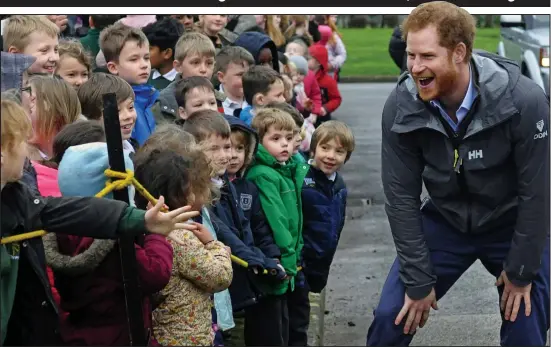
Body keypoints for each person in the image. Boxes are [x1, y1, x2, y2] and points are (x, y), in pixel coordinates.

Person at [366, 3, 550, 346]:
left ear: (459, 53)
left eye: (427, 56)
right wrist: (418, 280)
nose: (414, 67)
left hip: (510, 222)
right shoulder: (401, 105)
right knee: (391, 318)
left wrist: (522, 272)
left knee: (525, 323)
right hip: (445, 220)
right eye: (410, 55)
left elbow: (537, 194)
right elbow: (401, 198)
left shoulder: (524, 101)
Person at [0, 99, 200, 345]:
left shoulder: (18, 198)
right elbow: (154, 274)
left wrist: (140, 220)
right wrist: (155, 238)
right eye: (20, 142)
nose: (25, 151)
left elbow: (70, 210)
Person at [43, 142, 173, 346]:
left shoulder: (58, 231)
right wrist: (155, 234)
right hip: (121, 335)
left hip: (78, 334)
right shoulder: (113, 241)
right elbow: (155, 273)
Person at [134, 148, 233, 346]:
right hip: (184, 337)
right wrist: (216, 248)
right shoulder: (179, 237)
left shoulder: (145, 228)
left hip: (165, 334)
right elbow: (219, 277)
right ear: (184, 193)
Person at [246, 108, 310, 346]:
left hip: (290, 260)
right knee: (272, 330)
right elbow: (278, 221)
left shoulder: (285, 170)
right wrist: (288, 256)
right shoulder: (264, 174)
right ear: (259, 142)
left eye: (288, 138)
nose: (284, 144)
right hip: (280, 261)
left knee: (287, 324)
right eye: (275, 139)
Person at [293, 121, 355, 345]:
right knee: (296, 323)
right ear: (313, 149)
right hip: (299, 264)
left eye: (339, 152)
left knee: (302, 317)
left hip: (319, 263)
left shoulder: (339, 185)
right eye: (325, 148)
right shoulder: (302, 180)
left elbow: (336, 226)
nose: (331, 156)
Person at [100, 22, 159, 146]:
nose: (144, 65)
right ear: (113, 67)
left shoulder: (157, 97)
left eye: (146, 58)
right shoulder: (113, 106)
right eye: (134, 59)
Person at [151, 32, 225, 125]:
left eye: (209, 63)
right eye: (195, 62)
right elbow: (165, 137)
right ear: (178, 66)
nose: (203, 69)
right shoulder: (166, 101)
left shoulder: (216, 96)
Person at [77, 72, 139, 152]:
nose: (128, 116)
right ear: (91, 117)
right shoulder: (90, 157)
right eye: (116, 111)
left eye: (130, 107)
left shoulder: (133, 147)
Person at [142, 17, 185, 91]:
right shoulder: (142, 78)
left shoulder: (183, 82)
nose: (144, 53)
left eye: (149, 49)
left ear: (167, 53)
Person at [214, 46, 255, 117]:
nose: (247, 79)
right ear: (221, 77)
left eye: (249, 73)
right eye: (240, 74)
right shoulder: (212, 104)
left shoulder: (256, 99)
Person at [308, 44, 342, 127]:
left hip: (322, 117)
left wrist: (326, 108)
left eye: (309, 58)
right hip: (305, 115)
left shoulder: (328, 81)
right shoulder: (303, 77)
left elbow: (336, 98)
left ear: (318, 62)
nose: (306, 60)